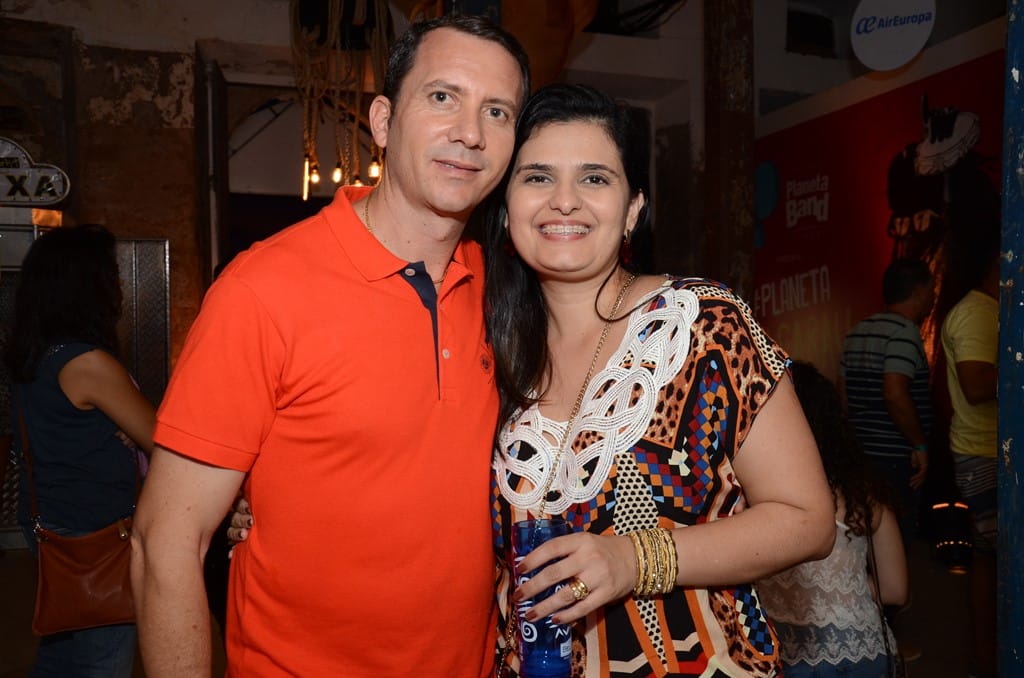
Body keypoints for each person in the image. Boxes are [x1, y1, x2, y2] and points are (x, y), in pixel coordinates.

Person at [130, 15, 530, 677]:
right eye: (442, 97)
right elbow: (164, 542)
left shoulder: (504, 293)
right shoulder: (263, 289)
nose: (470, 133)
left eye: (497, 111)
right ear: (383, 120)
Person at [484, 83, 836, 676]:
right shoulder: (489, 352)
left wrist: (635, 559)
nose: (564, 201)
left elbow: (808, 520)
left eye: (594, 178)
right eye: (538, 177)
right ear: (506, 206)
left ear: (633, 209)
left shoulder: (703, 325)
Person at [5, 224, 155, 677]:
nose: (119, 284)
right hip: (95, 535)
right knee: (101, 659)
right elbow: (161, 437)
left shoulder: (38, 356)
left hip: (52, 521)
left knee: (64, 654)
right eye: (111, 273)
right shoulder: (87, 363)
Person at [757, 361, 908, 677]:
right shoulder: (862, 493)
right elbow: (895, 588)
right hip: (866, 654)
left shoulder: (753, 499)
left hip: (788, 659)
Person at [838, 258, 935, 545]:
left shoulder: (857, 331)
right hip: (896, 458)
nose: (933, 298)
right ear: (918, 292)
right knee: (895, 541)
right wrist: (919, 444)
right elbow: (894, 393)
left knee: (866, 538)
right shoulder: (904, 333)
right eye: (931, 290)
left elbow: (842, 393)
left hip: (861, 453)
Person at [941, 250, 998, 678]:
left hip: (986, 450)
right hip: (986, 453)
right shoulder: (978, 313)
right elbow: (976, 386)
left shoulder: (984, 309)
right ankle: (988, 654)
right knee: (1000, 558)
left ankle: (985, 655)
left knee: (988, 557)